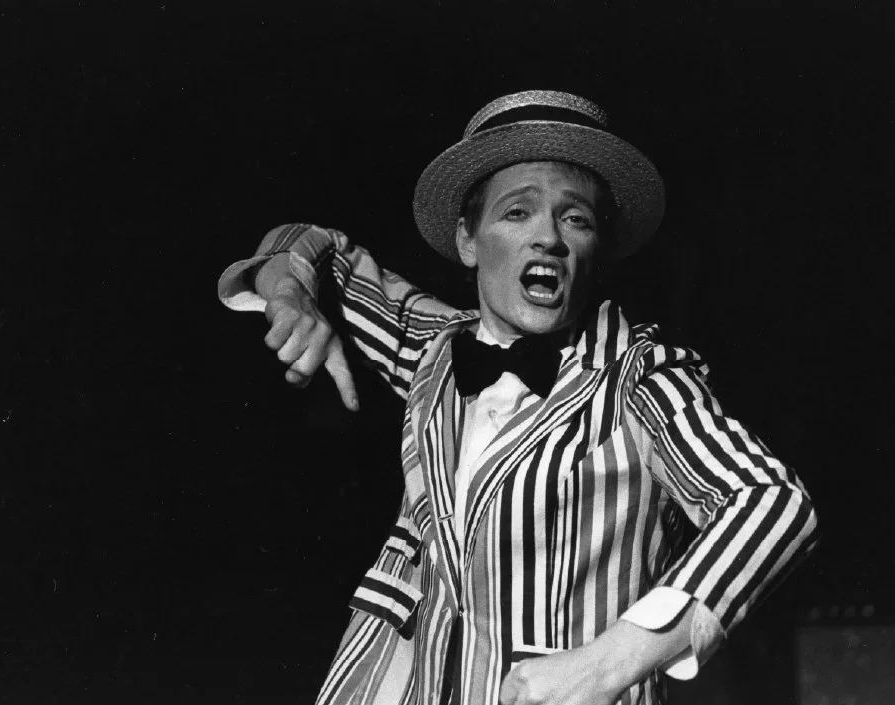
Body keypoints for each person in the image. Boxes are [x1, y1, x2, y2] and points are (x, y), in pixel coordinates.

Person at [217, 90, 819, 705]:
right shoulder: (434, 349)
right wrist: (288, 292)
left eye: (576, 218)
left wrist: (606, 665)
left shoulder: (639, 378)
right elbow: (312, 244)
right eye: (517, 213)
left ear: (598, 251)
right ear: (468, 240)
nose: (549, 239)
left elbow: (772, 504)